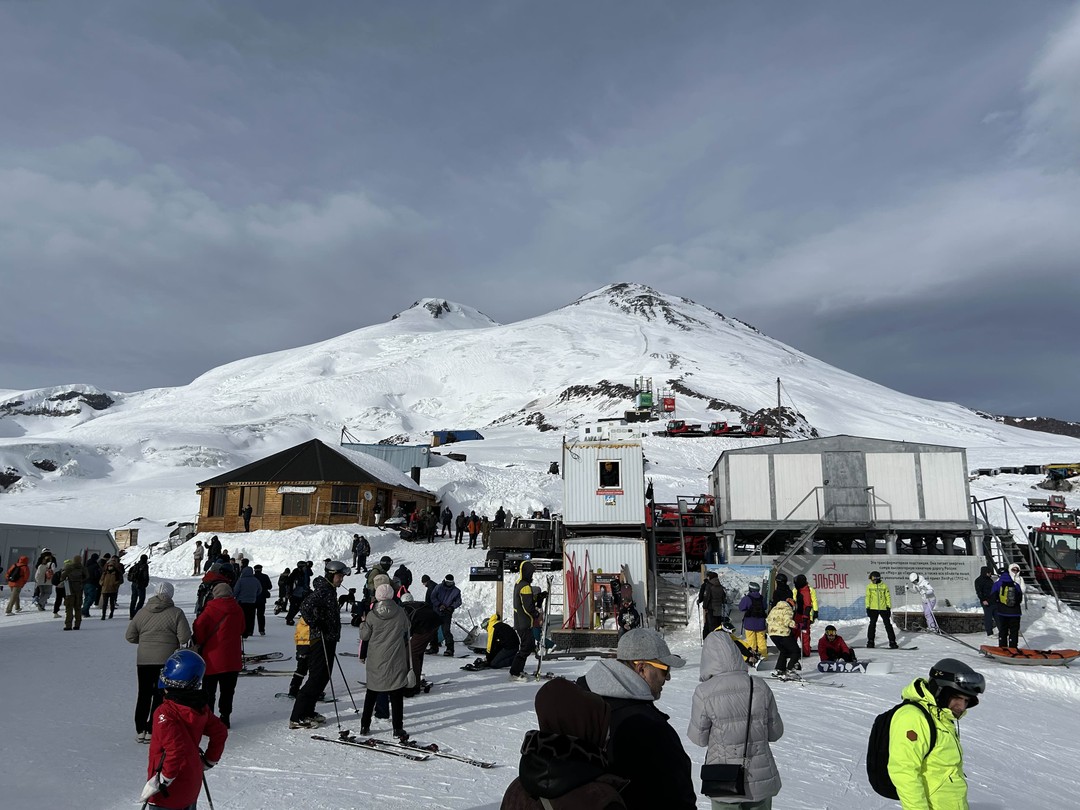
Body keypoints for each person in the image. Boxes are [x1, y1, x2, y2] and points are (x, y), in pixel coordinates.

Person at [576, 628, 696, 810]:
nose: (668, 678)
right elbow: (679, 797)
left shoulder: (579, 703)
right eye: (665, 670)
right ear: (641, 668)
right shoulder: (650, 728)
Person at [687, 630, 784, 810]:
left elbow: (698, 739)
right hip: (760, 781)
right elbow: (775, 733)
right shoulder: (760, 686)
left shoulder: (704, 692)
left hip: (724, 782)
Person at [501, 677, 629, 809]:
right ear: (587, 728)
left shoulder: (517, 789)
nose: (607, 736)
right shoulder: (601, 799)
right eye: (602, 727)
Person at [887, 658, 985, 809]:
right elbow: (903, 772)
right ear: (939, 691)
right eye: (957, 698)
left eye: (966, 700)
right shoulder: (912, 717)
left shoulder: (942, 716)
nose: (962, 706)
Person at [139, 650, 228, 810]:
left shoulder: (165, 712)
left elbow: (175, 750)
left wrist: (161, 781)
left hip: (168, 790)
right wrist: (209, 760)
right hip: (191, 782)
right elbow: (220, 731)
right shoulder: (200, 707)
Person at [126, 582, 192, 743]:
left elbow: (130, 636)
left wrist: (146, 642)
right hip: (166, 660)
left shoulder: (142, 612)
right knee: (160, 694)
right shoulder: (176, 613)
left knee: (143, 693)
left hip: (143, 659)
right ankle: (152, 728)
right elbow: (184, 637)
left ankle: (140, 728)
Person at [289, 560, 349, 729]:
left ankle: (309, 711)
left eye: (342, 576)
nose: (341, 579)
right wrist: (316, 623)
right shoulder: (323, 591)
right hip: (319, 639)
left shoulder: (330, 591)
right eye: (339, 576)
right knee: (316, 677)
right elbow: (305, 606)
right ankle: (297, 716)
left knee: (323, 677)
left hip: (329, 639)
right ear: (331, 574)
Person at [358, 583, 411, 739]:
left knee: (371, 693)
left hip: (376, 660)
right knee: (396, 695)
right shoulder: (400, 612)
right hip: (395, 658)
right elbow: (408, 627)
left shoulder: (372, 615)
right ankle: (397, 729)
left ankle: (364, 726)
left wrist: (362, 622)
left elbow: (364, 636)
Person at [192, 582, 244, 728]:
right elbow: (242, 628)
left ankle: (208, 719)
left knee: (209, 691)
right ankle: (225, 717)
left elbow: (198, 627)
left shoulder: (210, 609)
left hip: (212, 658)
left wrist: (200, 642)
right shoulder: (238, 609)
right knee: (228, 691)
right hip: (232, 658)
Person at [509, 561, 540, 682]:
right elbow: (528, 607)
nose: (532, 575)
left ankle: (518, 669)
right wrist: (535, 613)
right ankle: (515, 672)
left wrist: (538, 597)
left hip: (521, 622)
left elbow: (526, 602)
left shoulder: (519, 584)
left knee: (528, 646)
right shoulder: (525, 587)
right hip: (524, 623)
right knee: (526, 647)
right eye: (531, 573)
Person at [766, 598, 800, 680]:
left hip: (772, 634)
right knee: (796, 651)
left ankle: (780, 669)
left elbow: (768, 619)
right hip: (782, 633)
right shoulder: (787, 609)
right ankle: (790, 669)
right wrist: (796, 625)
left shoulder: (774, 608)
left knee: (784, 651)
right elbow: (787, 621)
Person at [430, 573, 462, 657]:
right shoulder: (438, 587)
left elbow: (458, 601)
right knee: (433, 630)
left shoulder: (456, 591)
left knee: (446, 631)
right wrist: (439, 605)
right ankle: (433, 647)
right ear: (445, 581)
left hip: (447, 613)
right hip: (436, 612)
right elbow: (433, 597)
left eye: (451, 583)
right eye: (448, 582)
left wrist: (451, 607)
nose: (449, 584)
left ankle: (450, 649)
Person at [989, 568, 1023, 648]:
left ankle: (1002, 648)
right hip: (1015, 613)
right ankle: (1013, 647)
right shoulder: (1015, 585)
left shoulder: (997, 584)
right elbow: (1020, 598)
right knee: (1014, 631)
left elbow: (992, 598)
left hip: (1002, 612)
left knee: (1003, 630)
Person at [865, 571, 899, 649]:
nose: (872, 580)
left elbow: (888, 596)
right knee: (872, 624)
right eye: (871, 579)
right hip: (873, 608)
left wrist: (888, 607)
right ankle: (870, 641)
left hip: (883, 608)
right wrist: (868, 607)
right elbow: (867, 597)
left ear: (877, 578)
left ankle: (892, 641)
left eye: (873, 578)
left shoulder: (884, 586)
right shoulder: (869, 586)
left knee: (888, 625)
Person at [737, 582, 769, 660]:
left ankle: (753, 656)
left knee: (751, 641)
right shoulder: (762, 598)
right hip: (761, 623)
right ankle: (764, 656)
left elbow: (741, 608)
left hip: (749, 623)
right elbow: (765, 607)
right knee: (761, 640)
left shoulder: (747, 598)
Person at [232, 565, 261, 639]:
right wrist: (254, 595)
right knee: (251, 617)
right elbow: (259, 590)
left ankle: (242, 631)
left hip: (241, 602)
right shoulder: (255, 580)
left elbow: (235, 591)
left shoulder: (241, 580)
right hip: (252, 602)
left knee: (242, 617)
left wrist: (234, 597)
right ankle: (250, 631)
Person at [792, 574, 818, 657]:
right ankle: (794, 650)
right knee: (795, 633)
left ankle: (806, 652)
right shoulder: (798, 590)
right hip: (798, 615)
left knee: (804, 634)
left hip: (803, 617)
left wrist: (806, 617)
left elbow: (808, 605)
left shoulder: (806, 591)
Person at [698, 571, 729, 640]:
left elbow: (706, 597)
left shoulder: (709, 585)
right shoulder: (719, 585)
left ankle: (711, 640)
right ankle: (718, 639)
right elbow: (724, 597)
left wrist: (705, 607)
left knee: (711, 625)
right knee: (717, 624)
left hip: (711, 608)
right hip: (718, 608)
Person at [60, 555, 86, 630]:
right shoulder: (83, 568)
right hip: (79, 590)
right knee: (78, 608)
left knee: (69, 608)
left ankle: (68, 625)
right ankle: (77, 625)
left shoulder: (69, 567)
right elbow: (87, 576)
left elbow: (62, 577)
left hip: (70, 589)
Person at [284, 559, 312, 625]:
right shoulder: (295, 573)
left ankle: (291, 618)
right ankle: (289, 619)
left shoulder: (305, 572)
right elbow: (289, 583)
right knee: (294, 606)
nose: (306, 567)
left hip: (304, 592)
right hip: (295, 593)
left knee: (302, 606)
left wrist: (308, 567)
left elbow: (311, 573)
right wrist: (289, 592)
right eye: (304, 566)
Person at [974, 566, 996, 638]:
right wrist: (983, 600)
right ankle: (989, 632)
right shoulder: (978, 580)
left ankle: (1002, 631)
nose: (990, 574)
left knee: (997, 616)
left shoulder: (990, 580)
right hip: (986, 601)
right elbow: (979, 592)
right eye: (988, 572)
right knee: (988, 617)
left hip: (993, 600)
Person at [127, 553, 151, 619]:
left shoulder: (136, 565)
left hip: (134, 584)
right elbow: (145, 576)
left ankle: (131, 614)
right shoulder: (145, 566)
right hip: (141, 584)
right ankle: (137, 613)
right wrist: (145, 584)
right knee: (141, 599)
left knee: (133, 599)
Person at [252, 564, 273, 635]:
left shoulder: (252, 577)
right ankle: (261, 630)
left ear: (254, 570)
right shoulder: (265, 576)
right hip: (262, 598)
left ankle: (250, 631)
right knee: (261, 615)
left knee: (251, 615)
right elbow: (270, 586)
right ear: (261, 569)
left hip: (253, 598)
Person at [82, 552, 102, 617]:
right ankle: (83, 610)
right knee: (91, 598)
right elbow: (97, 575)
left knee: (86, 598)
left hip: (85, 583)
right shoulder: (95, 566)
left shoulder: (86, 564)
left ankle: (86, 612)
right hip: (92, 583)